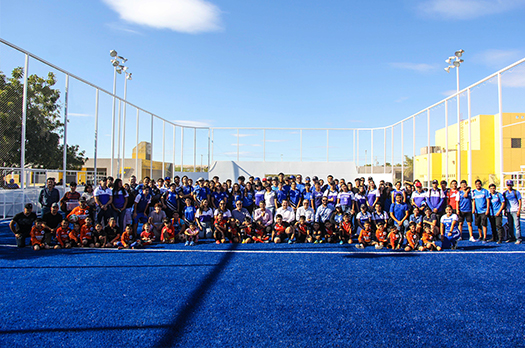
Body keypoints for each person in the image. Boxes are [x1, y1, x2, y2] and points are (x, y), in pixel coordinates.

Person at [504, 180, 522, 244]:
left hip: (515, 210)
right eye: (508, 185)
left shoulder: (516, 192)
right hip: (509, 211)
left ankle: (518, 238)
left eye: (510, 185)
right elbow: (505, 202)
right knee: (510, 225)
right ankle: (511, 237)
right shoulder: (505, 193)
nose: (509, 186)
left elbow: (520, 201)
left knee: (517, 225)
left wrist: (519, 210)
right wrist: (505, 210)